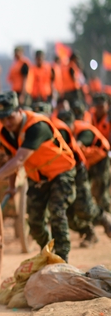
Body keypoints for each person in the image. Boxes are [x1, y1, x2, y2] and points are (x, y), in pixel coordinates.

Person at [0, 92, 76, 262]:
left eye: (10, 117)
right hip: (38, 177)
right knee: (34, 221)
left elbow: (19, 159)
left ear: (19, 110)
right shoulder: (4, 132)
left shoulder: (37, 126)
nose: (7, 122)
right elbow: (11, 157)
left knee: (56, 212)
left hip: (61, 172)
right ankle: (50, 253)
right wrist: (12, 185)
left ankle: (63, 258)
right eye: (2, 118)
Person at [52, 106, 111, 247]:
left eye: (67, 125)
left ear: (73, 123)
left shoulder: (83, 131)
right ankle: (89, 232)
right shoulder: (56, 132)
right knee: (69, 215)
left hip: (99, 160)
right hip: (77, 166)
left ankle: (104, 217)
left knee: (90, 202)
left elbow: (75, 148)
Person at [71, 99, 111, 217]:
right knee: (86, 190)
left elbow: (78, 145)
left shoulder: (83, 129)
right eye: (97, 106)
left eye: (101, 106)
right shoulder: (89, 118)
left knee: (100, 194)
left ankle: (107, 216)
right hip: (90, 159)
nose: (99, 109)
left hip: (102, 158)